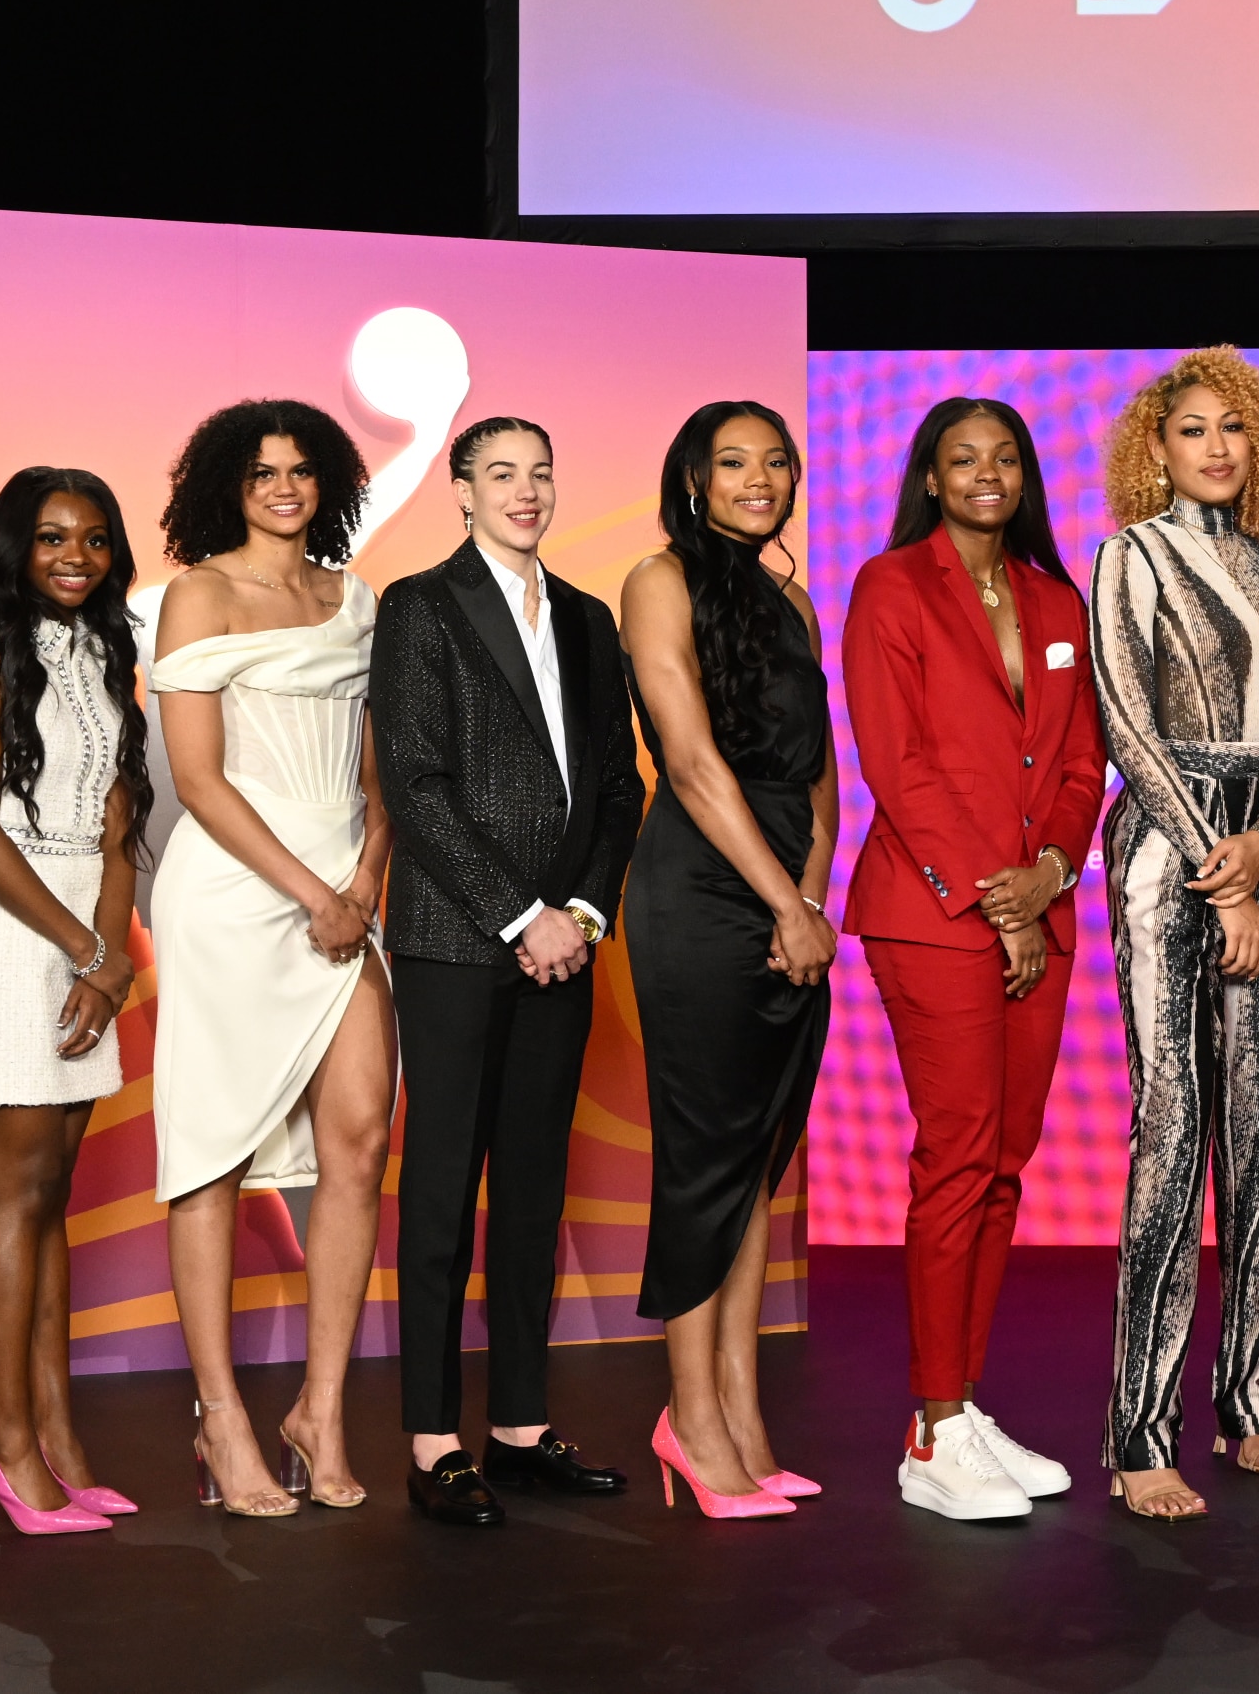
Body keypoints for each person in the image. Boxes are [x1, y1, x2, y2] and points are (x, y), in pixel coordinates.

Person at [372, 417, 645, 1529]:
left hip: (563, 944)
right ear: (461, 488)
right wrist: (520, 912)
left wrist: (577, 910)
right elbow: (416, 781)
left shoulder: (587, 616)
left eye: (540, 472)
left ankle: (521, 1424)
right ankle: (433, 1436)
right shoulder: (419, 607)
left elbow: (619, 786)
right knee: (441, 1190)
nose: (525, 491)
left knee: (534, 1186)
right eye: (501, 474)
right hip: (453, 939)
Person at [844, 397, 1107, 1520]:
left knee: (1005, 1162)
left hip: (1036, 912)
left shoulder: (1057, 597)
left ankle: (964, 1398)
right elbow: (897, 766)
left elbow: (1085, 763)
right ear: (932, 475)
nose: (986, 473)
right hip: (934, 914)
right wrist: (993, 899)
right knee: (955, 1159)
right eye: (964, 458)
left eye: (1004, 456)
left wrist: (1051, 872)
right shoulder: (892, 585)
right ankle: (930, 1425)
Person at [148, 400, 394, 1517]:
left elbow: (381, 774)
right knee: (210, 1147)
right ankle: (223, 1418)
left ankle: (321, 1407)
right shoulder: (198, 591)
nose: (285, 487)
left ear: (331, 479)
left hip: (347, 889)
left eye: (301, 470)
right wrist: (313, 892)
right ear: (226, 487)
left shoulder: (359, 596)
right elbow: (198, 778)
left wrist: (366, 879)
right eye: (262, 473)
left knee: (362, 1132)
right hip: (236, 891)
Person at [1090, 347, 1259, 1518]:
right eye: (1191, 429)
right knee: (1175, 1128)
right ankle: (1140, 1431)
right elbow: (1128, 722)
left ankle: (1250, 1402)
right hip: (1166, 852)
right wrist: (1216, 875)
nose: (1215, 446)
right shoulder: (1128, 555)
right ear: (1156, 447)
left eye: (1234, 428)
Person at [0, 469, 154, 1535]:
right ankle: (4, 1444)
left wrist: (111, 951)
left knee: (51, 1191)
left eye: (96, 538)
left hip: (82, 935)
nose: (75, 555)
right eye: (52, 536)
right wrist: (81, 949)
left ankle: (56, 1435)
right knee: (16, 1193)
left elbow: (113, 825)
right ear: (12, 544)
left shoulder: (103, 649)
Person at [620, 401, 840, 1520]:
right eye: (735, 460)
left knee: (759, 1162)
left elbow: (819, 776)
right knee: (706, 1158)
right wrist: (779, 899)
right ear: (694, 478)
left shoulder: (794, 598)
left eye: (777, 459)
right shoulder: (659, 579)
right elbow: (694, 762)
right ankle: (689, 1419)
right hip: (702, 888)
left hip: (782, 891)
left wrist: (811, 894)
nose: (762, 477)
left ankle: (745, 1419)